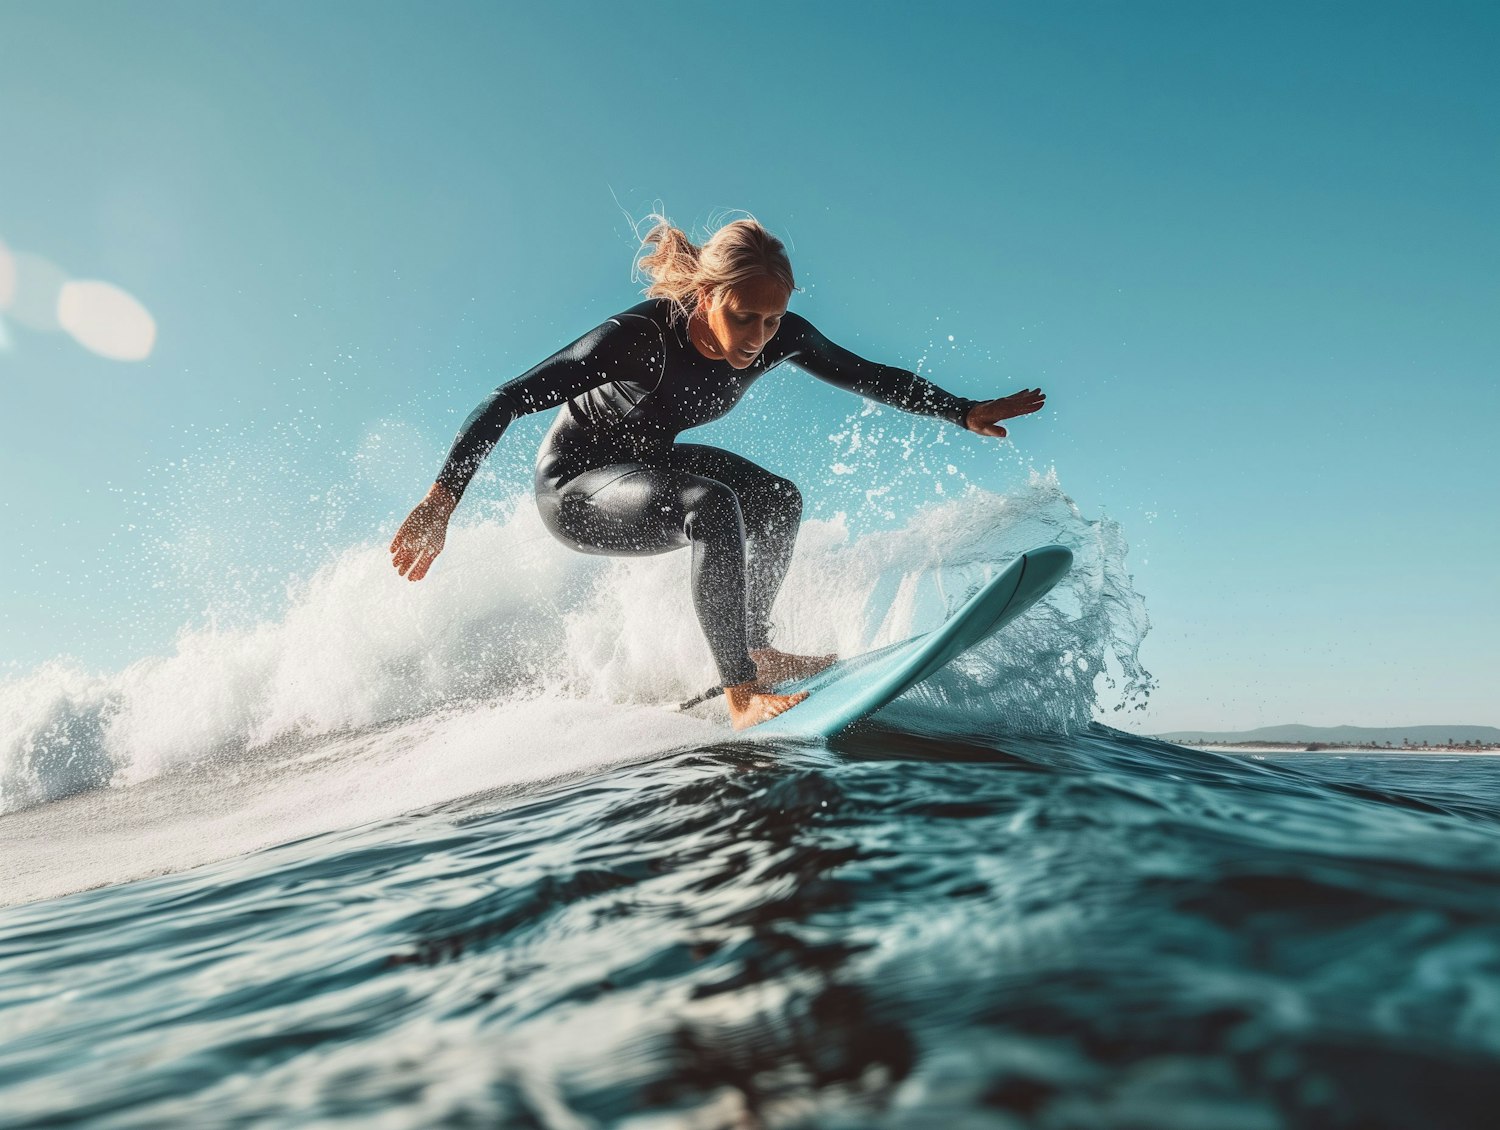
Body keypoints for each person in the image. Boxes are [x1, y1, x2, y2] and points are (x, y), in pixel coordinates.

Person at [390, 216, 1046, 728]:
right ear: (705, 296)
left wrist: (964, 412)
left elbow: (868, 374)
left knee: (776, 499)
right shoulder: (638, 338)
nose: (761, 334)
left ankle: (756, 649)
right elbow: (506, 398)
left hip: (647, 465)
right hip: (576, 491)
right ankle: (741, 692)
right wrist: (440, 500)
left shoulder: (776, 334)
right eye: (744, 316)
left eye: (773, 318)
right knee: (713, 506)